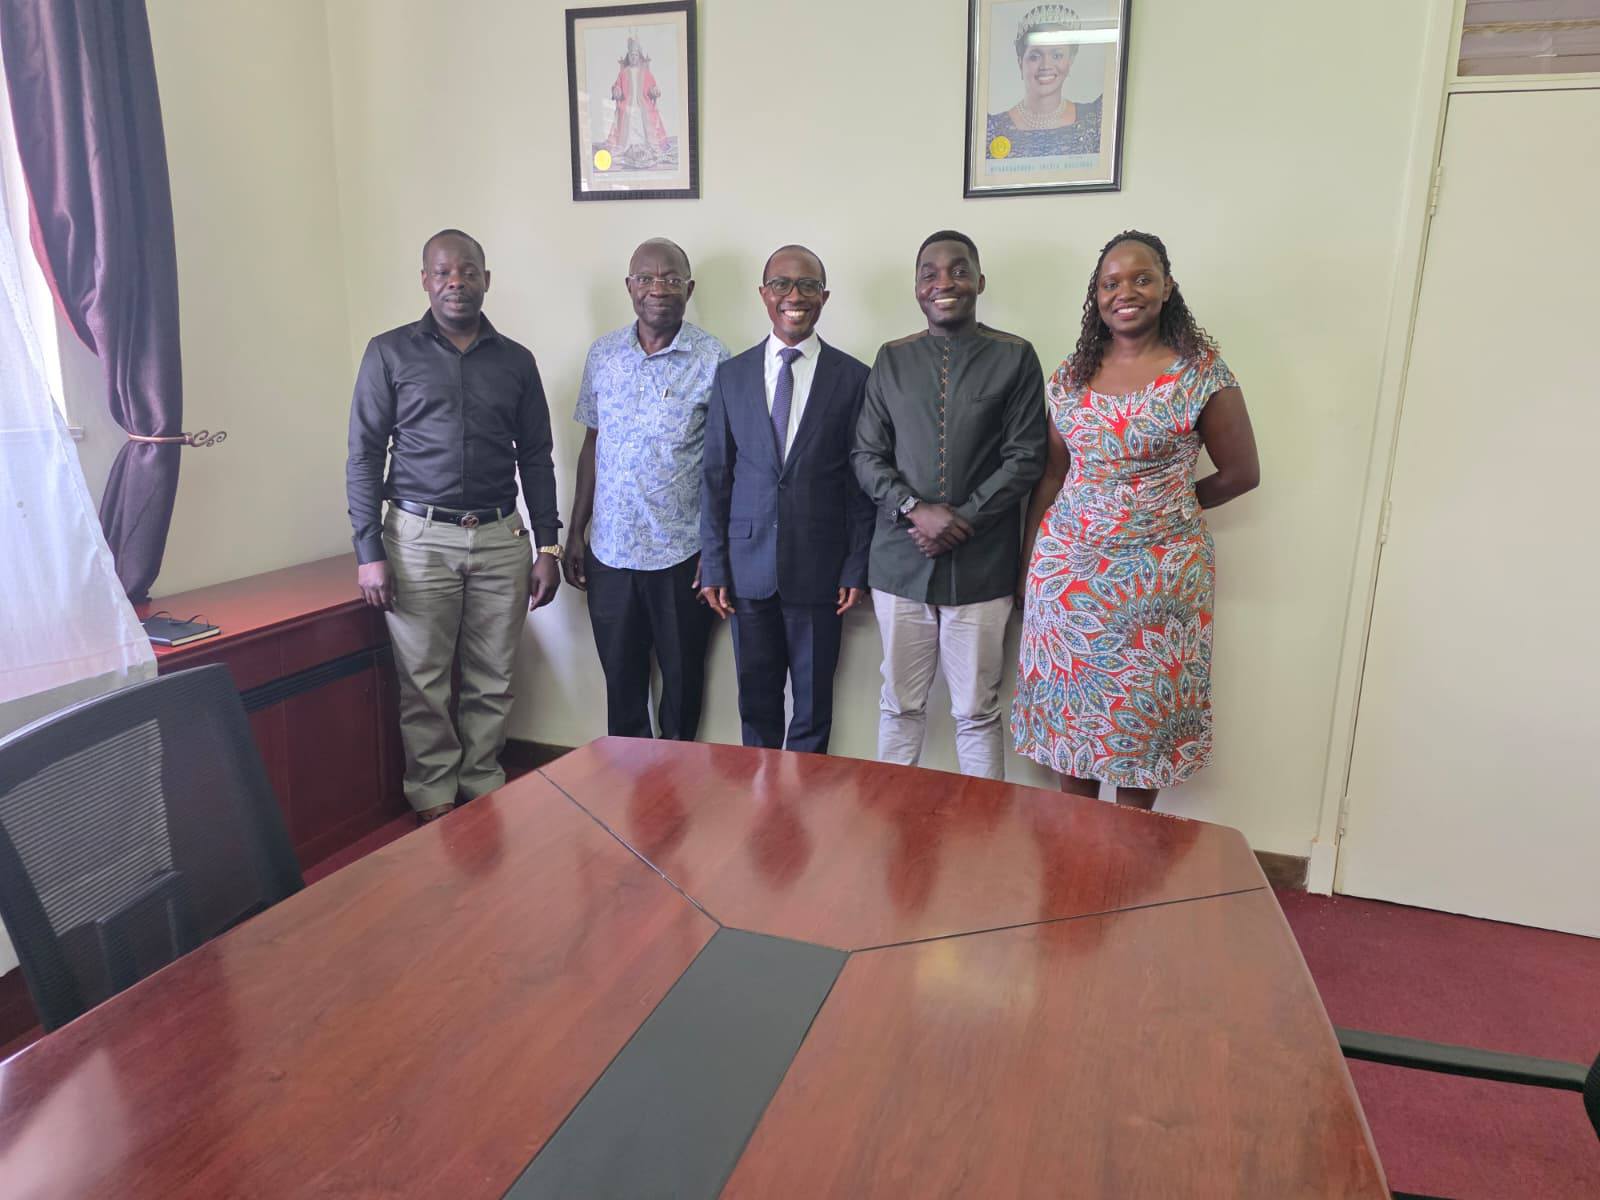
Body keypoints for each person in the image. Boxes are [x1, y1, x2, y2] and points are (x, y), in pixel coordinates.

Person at [1012, 230, 1260, 809]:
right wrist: (1029, 566)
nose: (1126, 291)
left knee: (1140, 729)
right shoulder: (1071, 375)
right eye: (1111, 282)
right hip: (1068, 582)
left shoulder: (1201, 374)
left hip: (1160, 580)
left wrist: (1164, 508)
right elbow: (1052, 476)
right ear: (1096, 297)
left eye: (1142, 278)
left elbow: (1241, 473)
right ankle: (1077, 861)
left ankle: (1126, 869)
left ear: (1167, 287)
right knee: (1073, 728)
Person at [346, 229, 561, 823]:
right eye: (442, 273)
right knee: (423, 682)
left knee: (494, 676)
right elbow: (364, 454)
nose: (456, 283)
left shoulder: (516, 361)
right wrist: (369, 549)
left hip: (500, 538)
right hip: (417, 540)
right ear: (425, 281)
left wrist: (549, 545)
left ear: (486, 279)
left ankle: (483, 782)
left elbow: (537, 456)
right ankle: (436, 798)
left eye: (467, 271)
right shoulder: (388, 353)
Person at [852, 231, 1047, 779]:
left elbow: (1026, 456)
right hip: (899, 563)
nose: (944, 283)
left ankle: (982, 837)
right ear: (916, 288)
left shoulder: (1014, 356)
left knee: (976, 711)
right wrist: (916, 508)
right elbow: (866, 454)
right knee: (900, 704)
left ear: (979, 282)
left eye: (958, 271)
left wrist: (962, 518)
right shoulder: (891, 360)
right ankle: (891, 819)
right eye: (930, 273)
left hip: (982, 563)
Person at [699, 244, 873, 754]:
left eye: (808, 286)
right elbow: (715, 476)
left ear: (824, 297)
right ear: (763, 294)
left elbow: (859, 483)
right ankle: (762, 808)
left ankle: (804, 811)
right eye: (781, 285)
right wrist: (713, 565)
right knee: (756, 703)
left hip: (820, 571)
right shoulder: (732, 375)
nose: (794, 296)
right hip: (746, 570)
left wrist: (855, 566)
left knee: (814, 709)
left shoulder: (853, 377)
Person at [566, 238, 729, 740]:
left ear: (689, 287)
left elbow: (728, 464)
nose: (658, 288)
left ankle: (677, 790)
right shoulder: (604, 355)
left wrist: (717, 551)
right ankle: (627, 790)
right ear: (630, 287)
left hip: (682, 556)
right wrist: (576, 532)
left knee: (682, 686)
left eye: (671, 278)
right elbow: (592, 443)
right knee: (622, 686)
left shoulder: (715, 359)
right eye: (646, 278)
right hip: (610, 554)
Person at [985, 4, 1102, 159]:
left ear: (1070, 61)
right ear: (1021, 62)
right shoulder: (992, 128)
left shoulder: (1094, 118)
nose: (1046, 66)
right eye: (1035, 56)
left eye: (1057, 55)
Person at [604, 37, 672, 168]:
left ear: (639, 56)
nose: (633, 58)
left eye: (635, 55)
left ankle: (648, 146)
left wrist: (654, 90)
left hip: (642, 103)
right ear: (628, 56)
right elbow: (616, 86)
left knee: (644, 113)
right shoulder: (623, 73)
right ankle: (627, 145)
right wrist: (617, 90)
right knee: (627, 113)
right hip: (628, 103)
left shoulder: (645, 73)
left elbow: (652, 87)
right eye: (631, 55)